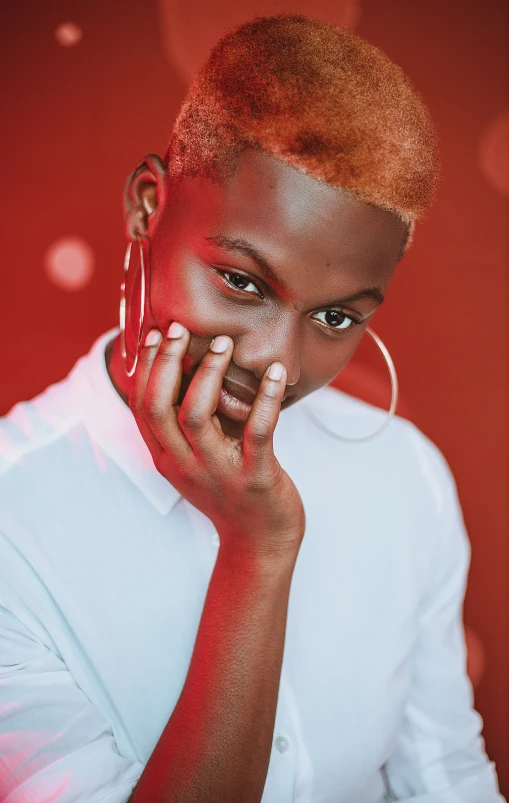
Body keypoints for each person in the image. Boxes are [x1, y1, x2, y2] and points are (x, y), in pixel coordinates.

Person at [0, 12, 504, 803]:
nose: (276, 358)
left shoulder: (403, 475)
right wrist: (257, 555)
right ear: (146, 206)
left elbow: (443, 779)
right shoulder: (12, 522)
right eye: (241, 281)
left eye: (335, 317)